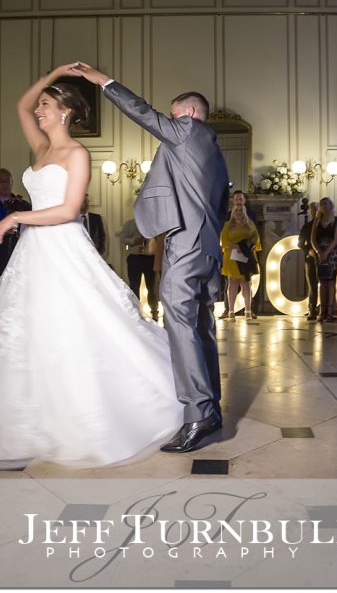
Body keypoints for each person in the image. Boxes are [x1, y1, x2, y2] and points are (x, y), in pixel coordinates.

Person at [0, 63, 183, 468]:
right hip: (34, 252)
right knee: (26, 328)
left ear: (66, 112)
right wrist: (54, 75)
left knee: (75, 323)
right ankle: (31, 419)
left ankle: (108, 411)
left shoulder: (77, 153)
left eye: (47, 105)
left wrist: (15, 217)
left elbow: (70, 209)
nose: (38, 110)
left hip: (63, 246)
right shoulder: (41, 150)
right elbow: (20, 106)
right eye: (40, 105)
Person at [77, 60, 229, 453]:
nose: (169, 123)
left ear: (189, 114)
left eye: (174, 114)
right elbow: (223, 206)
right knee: (200, 326)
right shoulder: (214, 151)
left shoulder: (187, 130)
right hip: (209, 248)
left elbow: (144, 113)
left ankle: (197, 416)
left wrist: (104, 82)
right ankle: (211, 411)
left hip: (187, 245)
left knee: (180, 325)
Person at [220, 201, 261, 320]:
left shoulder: (250, 224)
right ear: (233, 212)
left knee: (246, 283)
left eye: (240, 210)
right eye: (236, 210)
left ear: (244, 212)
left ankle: (248, 310)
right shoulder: (227, 225)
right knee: (232, 282)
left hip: (246, 256)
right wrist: (233, 246)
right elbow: (223, 240)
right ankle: (231, 310)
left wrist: (244, 247)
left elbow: (256, 239)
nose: (238, 213)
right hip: (231, 257)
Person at [118, 217, 159, 321]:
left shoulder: (153, 223)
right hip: (134, 258)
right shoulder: (130, 223)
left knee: (152, 287)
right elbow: (122, 238)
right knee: (134, 286)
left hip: (150, 257)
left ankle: (154, 313)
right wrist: (133, 241)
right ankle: (136, 313)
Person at [312, 197, 337, 323]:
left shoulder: (336, 220)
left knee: (331, 282)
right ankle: (321, 312)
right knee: (322, 282)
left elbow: (336, 239)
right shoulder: (317, 221)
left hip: (332, 253)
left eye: (326, 203)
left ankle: (330, 312)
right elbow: (312, 238)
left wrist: (327, 252)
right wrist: (319, 252)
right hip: (320, 252)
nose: (324, 205)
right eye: (322, 203)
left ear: (331, 205)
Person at [298, 201, 320, 321]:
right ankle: (312, 310)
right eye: (312, 210)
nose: (314, 212)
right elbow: (300, 243)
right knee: (312, 285)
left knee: (326, 285)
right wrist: (308, 251)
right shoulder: (307, 226)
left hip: (325, 258)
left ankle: (324, 310)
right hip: (310, 259)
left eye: (316, 209)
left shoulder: (325, 225)